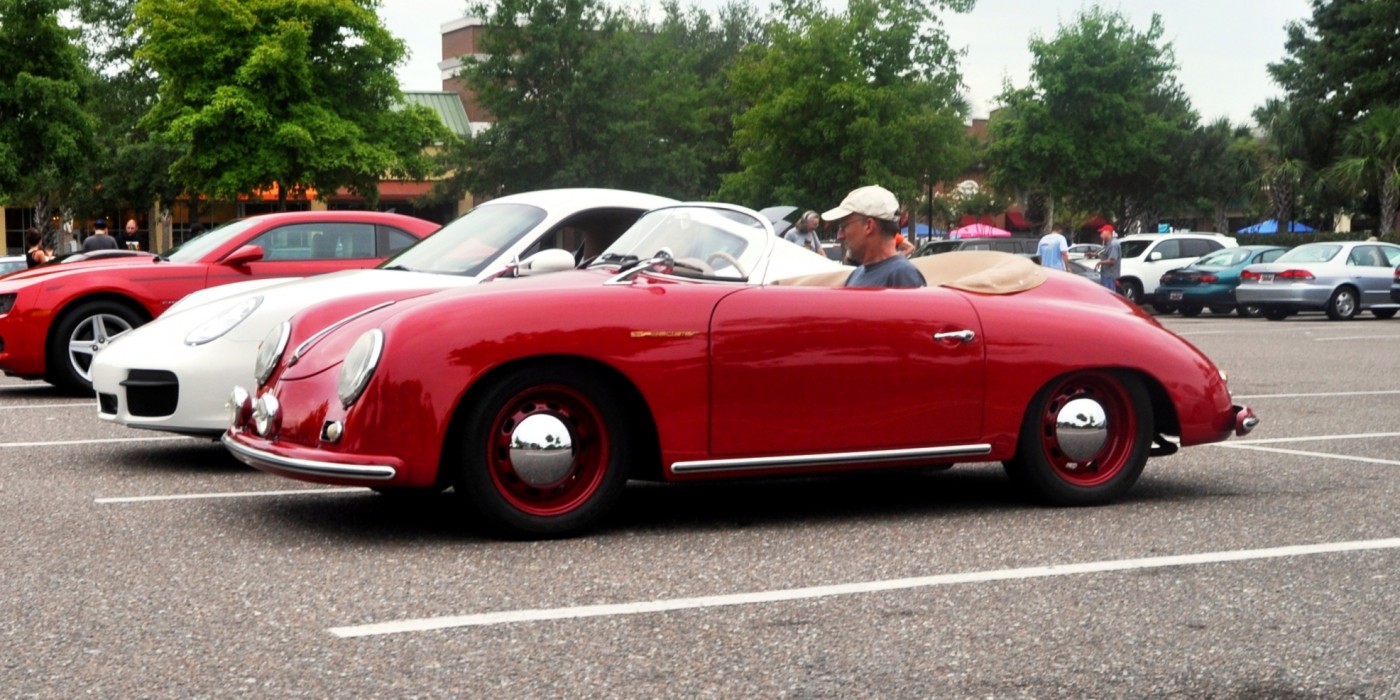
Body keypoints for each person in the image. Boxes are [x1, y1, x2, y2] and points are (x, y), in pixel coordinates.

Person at [821, 185, 925, 288]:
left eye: (843, 226)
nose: (840, 236)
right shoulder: (856, 275)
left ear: (869, 226)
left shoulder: (902, 275)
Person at [1096, 224, 1122, 293]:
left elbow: (1112, 261)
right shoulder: (1109, 244)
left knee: (1109, 296)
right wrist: (1094, 255)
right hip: (1106, 275)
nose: (1101, 234)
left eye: (1102, 232)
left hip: (1109, 277)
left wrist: (1100, 262)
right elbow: (1106, 256)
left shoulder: (1113, 244)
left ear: (1108, 232)